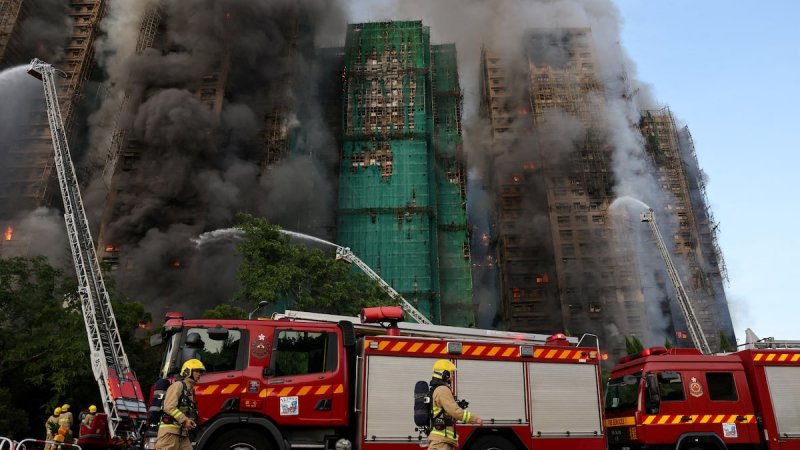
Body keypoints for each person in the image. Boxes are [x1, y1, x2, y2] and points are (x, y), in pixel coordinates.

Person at [427, 359, 483, 450]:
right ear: (444, 374)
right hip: (441, 442)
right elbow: (454, 411)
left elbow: (445, 411)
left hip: (442, 440)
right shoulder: (442, 390)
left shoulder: (438, 389)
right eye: (450, 373)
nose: (452, 375)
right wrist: (475, 419)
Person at [156, 359, 205, 450]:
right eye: (197, 371)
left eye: (200, 372)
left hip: (182, 433)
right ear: (187, 371)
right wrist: (185, 420)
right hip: (169, 433)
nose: (199, 374)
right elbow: (169, 407)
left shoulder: (190, 391)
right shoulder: (178, 385)